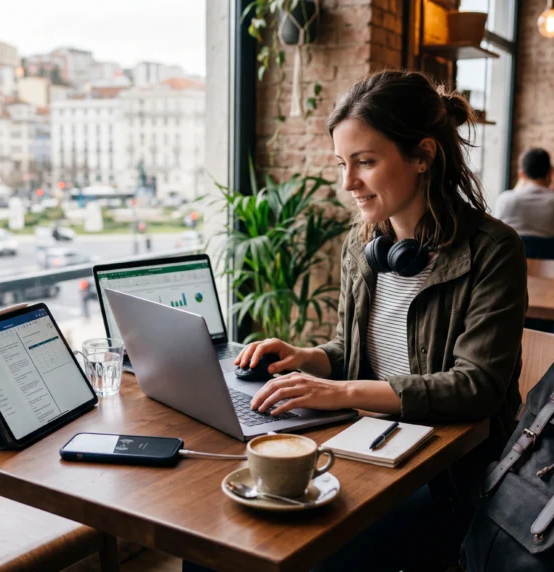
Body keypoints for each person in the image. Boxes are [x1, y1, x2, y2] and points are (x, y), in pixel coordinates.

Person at [193, 71, 528, 572]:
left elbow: (476, 386)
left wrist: (342, 393)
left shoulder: (493, 250)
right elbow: (361, 353)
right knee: (216, 540)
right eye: (342, 164)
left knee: (288, 547)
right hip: (363, 444)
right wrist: (310, 358)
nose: (348, 183)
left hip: (450, 475)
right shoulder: (365, 243)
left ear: (423, 156)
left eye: (365, 163)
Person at [494, 147, 554, 266]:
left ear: (521, 174)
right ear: (550, 173)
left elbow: (495, 247)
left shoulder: (504, 200)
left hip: (516, 277)